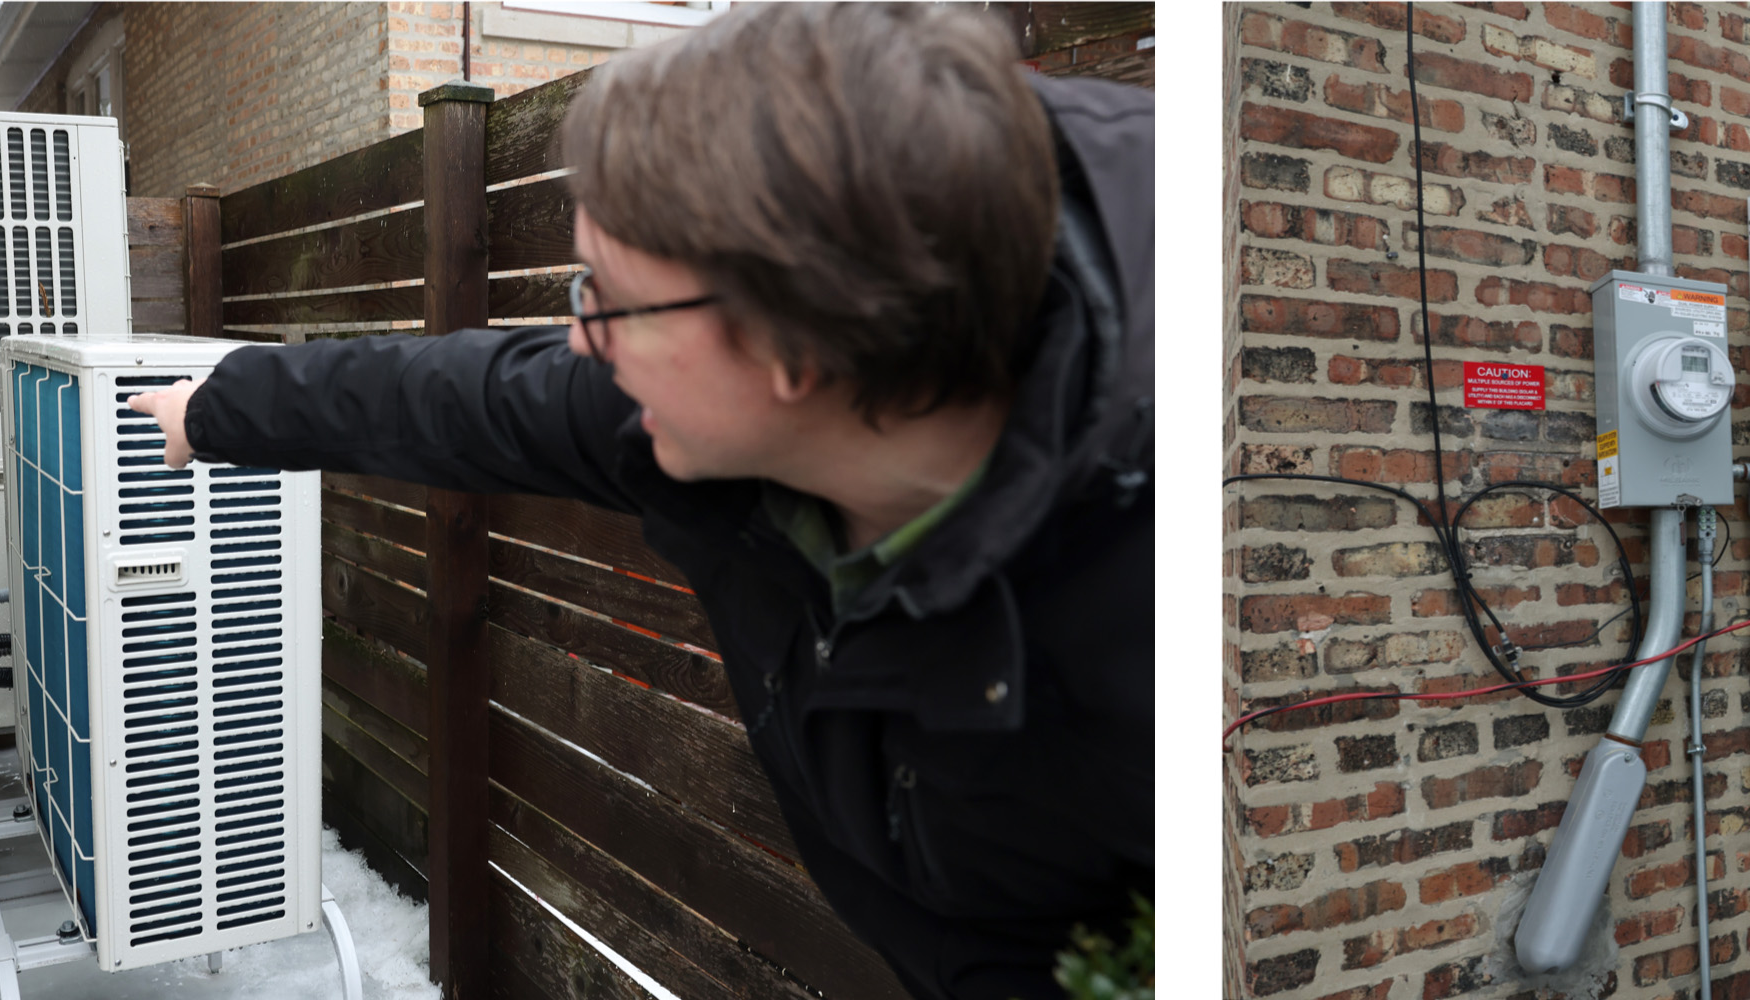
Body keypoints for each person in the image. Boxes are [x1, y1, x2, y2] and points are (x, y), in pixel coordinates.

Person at [126, 7, 1153, 998]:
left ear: (792, 342)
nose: (581, 338)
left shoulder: (1171, 627)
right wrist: (217, 410)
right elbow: (463, 396)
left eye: (606, 296)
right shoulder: (699, 410)